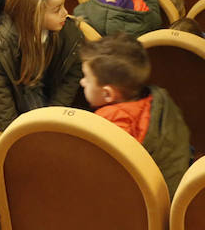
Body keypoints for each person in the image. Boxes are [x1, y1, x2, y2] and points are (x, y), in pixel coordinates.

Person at [79, 33, 191, 196]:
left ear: (107, 94)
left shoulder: (111, 124)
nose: (82, 82)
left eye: (87, 79)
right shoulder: (157, 99)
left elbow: (100, 178)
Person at [0, 0, 83, 131]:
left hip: (52, 106)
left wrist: (53, 116)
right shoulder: (5, 40)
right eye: (57, 9)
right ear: (33, 15)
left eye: (63, 6)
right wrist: (10, 130)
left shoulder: (70, 36)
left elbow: (70, 79)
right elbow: (0, 87)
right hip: (20, 105)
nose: (65, 12)